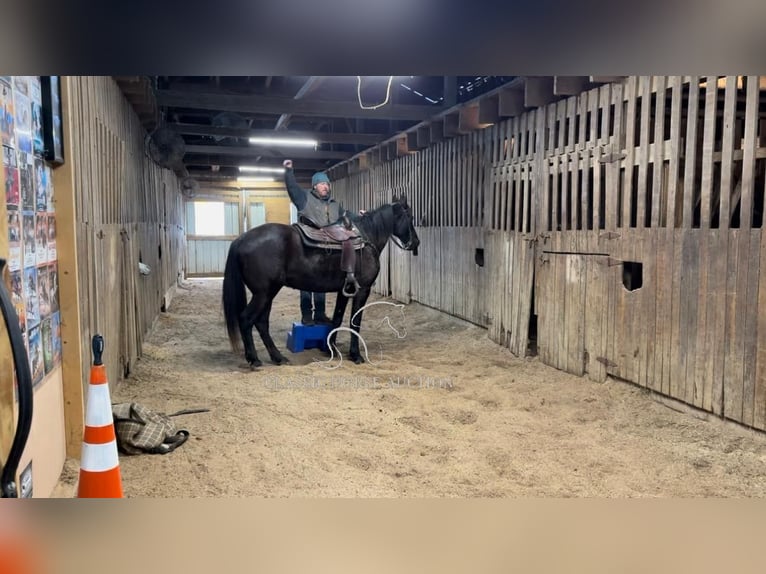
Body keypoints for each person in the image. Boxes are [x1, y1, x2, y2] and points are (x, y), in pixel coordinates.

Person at [282, 159, 359, 326]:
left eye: (327, 184)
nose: (326, 186)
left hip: (326, 247)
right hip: (307, 244)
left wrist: (361, 216)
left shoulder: (334, 204)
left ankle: (320, 314)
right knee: (305, 281)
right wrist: (289, 172)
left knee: (321, 281)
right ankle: (306, 315)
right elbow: (292, 188)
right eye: (322, 184)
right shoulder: (304, 198)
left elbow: (347, 215)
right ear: (315, 186)